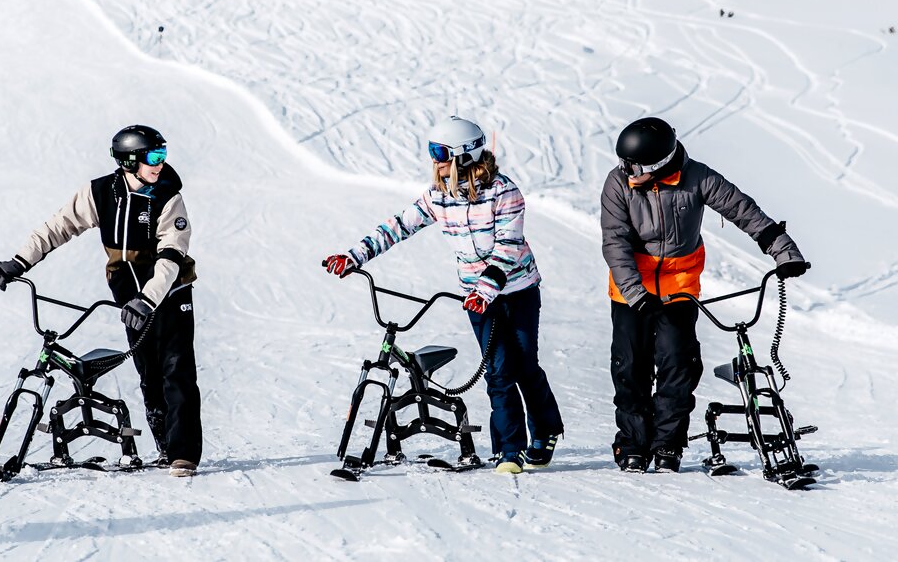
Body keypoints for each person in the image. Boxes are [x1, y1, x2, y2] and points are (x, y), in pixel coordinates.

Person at [324, 116, 563, 474]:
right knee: (498, 371)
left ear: (464, 156)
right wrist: (353, 256)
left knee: (525, 366)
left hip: (517, 290)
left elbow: (508, 248)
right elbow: (398, 226)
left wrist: (486, 288)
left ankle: (545, 431)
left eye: (440, 153)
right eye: (432, 152)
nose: (434, 160)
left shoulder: (504, 193)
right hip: (476, 298)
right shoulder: (440, 196)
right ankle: (509, 450)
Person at [0, 125, 202, 478]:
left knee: (176, 370)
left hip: (169, 293)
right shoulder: (101, 192)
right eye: (153, 157)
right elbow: (57, 227)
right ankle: (164, 445)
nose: (160, 164)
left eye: (163, 155)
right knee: (148, 371)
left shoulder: (168, 196)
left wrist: (149, 298)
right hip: (130, 297)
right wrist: (18, 262)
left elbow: (172, 256)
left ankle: (182, 455)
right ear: (129, 161)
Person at [601, 116, 808, 474]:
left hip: (679, 285)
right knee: (630, 368)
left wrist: (783, 250)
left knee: (677, 365)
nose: (625, 169)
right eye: (624, 162)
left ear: (658, 164)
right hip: (631, 290)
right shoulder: (618, 184)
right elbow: (615, 242)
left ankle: (667, 444)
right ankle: (633, 443)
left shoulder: (697, 178)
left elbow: (743, 210)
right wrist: (636, 293)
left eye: (632, 164)